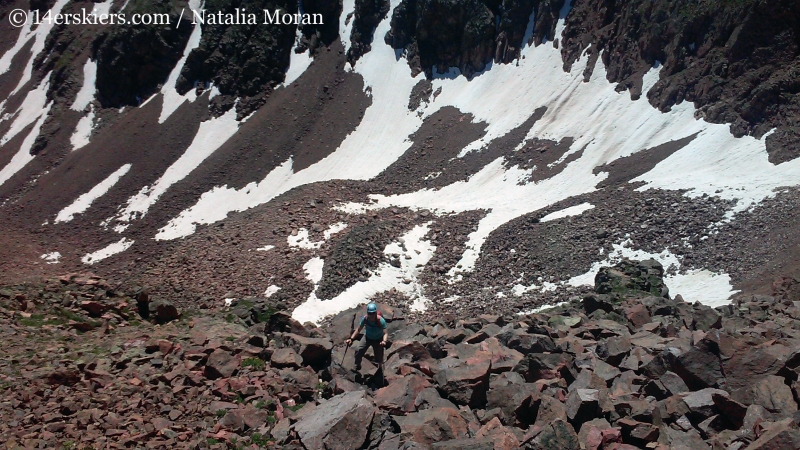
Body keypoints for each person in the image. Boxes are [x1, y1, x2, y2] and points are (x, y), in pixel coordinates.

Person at [345, 303, 388, 372]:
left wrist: (384, 341)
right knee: (359, 350)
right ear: (367, 313)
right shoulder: (365, 319)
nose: (371, 315)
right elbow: (358, 329)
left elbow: (385, 333)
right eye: (370, 313)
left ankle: (380, 369)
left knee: (379, 356)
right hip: (367, 337)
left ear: (375, 313)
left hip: (378, 339)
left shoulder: (381, 320)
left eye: (373, 313)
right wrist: (351, 339)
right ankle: (357, 365)